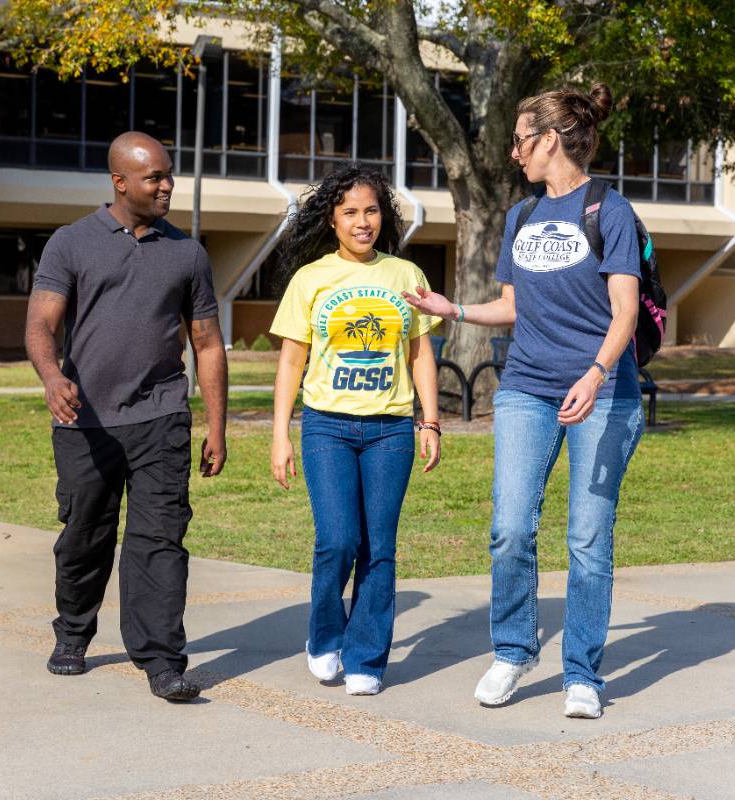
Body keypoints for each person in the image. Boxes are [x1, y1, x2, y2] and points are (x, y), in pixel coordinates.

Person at [404, 84, 644, 719]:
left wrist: (596, 374)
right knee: (510, 528)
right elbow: (511, 307)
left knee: (587, 538)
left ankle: (582, 673)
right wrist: (453, 309)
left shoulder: (610, 211)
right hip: (527, 388)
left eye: (519, 140)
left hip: (603, 395)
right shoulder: (521, 216)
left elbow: (624, 312)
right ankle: (513, 650)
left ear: (550, 140)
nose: (513, 152)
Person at [25, 131, 228, 702]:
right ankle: (73, 633)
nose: (167, 186)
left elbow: (207, 343)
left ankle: (162, 660)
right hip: (85, 420)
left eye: (169, 175)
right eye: (154, 177)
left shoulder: (187, 253)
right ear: (120, 182)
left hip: (162, 414)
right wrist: (52, 376)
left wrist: (216, 425)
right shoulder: (71, 243)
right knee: (85, 534)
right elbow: (41, 324)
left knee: (160, 538)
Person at [269, 164, 440, 697]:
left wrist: (430, 420)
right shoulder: (310, 279)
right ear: (332, 220)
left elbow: (421, 354)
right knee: (338, 540)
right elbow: (291, 361)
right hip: (328, 427)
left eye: (371, 211)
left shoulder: (406, 275)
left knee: (379, 549)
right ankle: (325, 637)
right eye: (350, 212)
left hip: (391, 430)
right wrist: (280, 435)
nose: (362, 222)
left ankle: (367, 657)